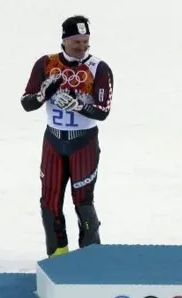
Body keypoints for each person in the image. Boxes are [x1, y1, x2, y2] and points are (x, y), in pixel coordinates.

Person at [20, 15, 114, 258]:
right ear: (64, 40)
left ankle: (90, 256)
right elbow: (26, 102)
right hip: (53, 141)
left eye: (86, 42)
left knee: (83, 201)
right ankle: (58, 255)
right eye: (76, 43)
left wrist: (77, 105)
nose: (82, 48)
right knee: (49, 202)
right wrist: (43, 95)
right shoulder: (46, 63)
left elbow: (103, 111)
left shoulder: (98, 68)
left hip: (83, 143)